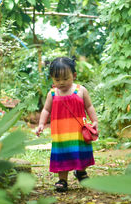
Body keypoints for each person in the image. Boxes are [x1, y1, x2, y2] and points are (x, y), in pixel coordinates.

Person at [36, 57, 98, 192]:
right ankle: (62, 179)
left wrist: (94, 121)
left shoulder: (81, 90)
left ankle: (81, 171)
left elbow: (89, 107)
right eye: (57, 80)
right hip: (61, 132)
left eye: (65, 79)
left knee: (81, 152)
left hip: (78, 130)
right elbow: (46, 109)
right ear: (52, 78)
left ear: (74, 75)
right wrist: (41, 124)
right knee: (62, 153)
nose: (61, 83)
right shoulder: (52, 93)